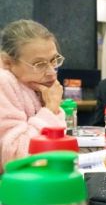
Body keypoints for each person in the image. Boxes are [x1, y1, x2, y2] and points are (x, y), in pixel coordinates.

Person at [0, 19, 66, 172]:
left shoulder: (34, 85)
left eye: (54, 60)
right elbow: (15, 159)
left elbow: (55, 147)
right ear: (8, 62)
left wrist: (52, 108)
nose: (51, 72)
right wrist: (50, 110)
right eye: (40, 64)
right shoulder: (4, 82)